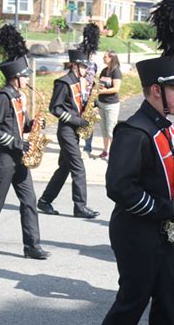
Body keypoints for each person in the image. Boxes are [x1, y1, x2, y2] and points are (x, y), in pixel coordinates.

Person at [86, 0, 174, 325]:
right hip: (137, 228)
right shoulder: (133, 130)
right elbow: (119, 187)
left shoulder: (167, 128)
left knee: (168, 296)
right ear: (155, 91)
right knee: (134, 298)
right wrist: (162, 210)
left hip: (162, 227)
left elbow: (163, 169)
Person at [0, 25, 49, 260]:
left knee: (29, 200)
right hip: (5, 159)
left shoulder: (18, 98)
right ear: (15, 78)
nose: (27, 79)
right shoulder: (2, 98)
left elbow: (20, 125)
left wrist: (34, 126)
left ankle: (32, 246)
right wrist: (18, 144)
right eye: (25, 76)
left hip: (20, 158)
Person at [37, 48, 99, 219]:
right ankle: (80, 206)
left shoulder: (80, 82)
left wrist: (93, 105)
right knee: (78, 168)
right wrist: (77, 120)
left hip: (74, 131)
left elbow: (79, 104)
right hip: (66, 130)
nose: (87, 71)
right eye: (84, 67)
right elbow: (54, 108)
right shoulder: (63, 83)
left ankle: (45, 200)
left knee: (64, 168)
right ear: (75, 65)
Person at [80, 23, 100, 159]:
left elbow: (93, 79)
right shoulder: (81, 63)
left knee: (90, 122)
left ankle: (88, 146)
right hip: (80, 95)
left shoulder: (93, 64)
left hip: (90, 96)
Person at [97, 50, 122, 159]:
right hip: (101, 103)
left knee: (111, 129)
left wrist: (103, 92)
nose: (103, 58)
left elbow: (116, 88)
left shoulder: (116, 71)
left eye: (105, 57)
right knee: (103, 129)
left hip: (111, 105)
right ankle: (105, 150)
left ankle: (115, 153)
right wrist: (99, 89)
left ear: (111, 58)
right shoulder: (104, 70)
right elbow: (101, 84)